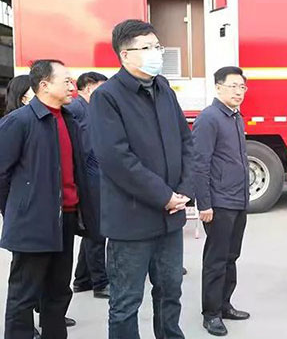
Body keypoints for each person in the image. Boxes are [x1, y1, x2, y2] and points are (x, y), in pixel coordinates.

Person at [90, 19, 194, 338]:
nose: (156, 53)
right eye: (147, 48)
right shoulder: (107, 97)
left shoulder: (163, 89)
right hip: (131, 223)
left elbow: (186, 142)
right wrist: (164, 196)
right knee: (126, 302)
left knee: (170, 293)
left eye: (157, 46)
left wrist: (183, 190)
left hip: (170, 220)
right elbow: (116, 159)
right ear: (125, 55)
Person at [0, 60, 98, 339]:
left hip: (65, 218)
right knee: (24, 295)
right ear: (44, 85)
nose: (72, 86)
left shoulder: (69, 120)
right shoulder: (19, 122)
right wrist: (18, 210)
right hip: (33, 222)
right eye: (66, 81)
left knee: (58, 291)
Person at [193, 66, 251, 336]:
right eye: (233, 86)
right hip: (219, 202)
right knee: (216, 259)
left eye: (242, 87)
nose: (238, 92)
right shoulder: (209, 118)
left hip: (238, 200)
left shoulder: (236, 117)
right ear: (218, 87)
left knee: (231, 256)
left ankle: (225, 304)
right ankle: (211, 313)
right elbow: (200, 163)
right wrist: (204, 203)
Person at [68, 72, 110, 299]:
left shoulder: (92, 109)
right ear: (88, 87)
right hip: (87, 178)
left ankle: (82, 279)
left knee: (92, 229)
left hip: (96, 176)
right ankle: (100, 283)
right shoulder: (75, 108)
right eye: (101, 87)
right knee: (97, 231)